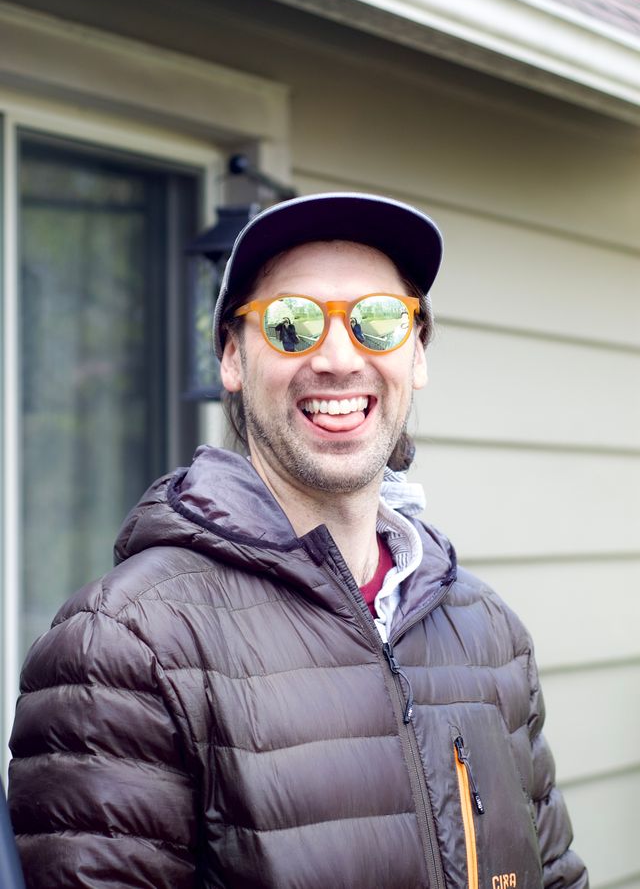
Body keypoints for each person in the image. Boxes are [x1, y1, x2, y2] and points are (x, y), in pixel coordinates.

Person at [8, 192, 588, 889]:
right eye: (293, 324)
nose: (339, 358)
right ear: (231, 355)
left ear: (417, 353)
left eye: (378, 320)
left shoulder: (491, 635)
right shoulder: (126, 646)